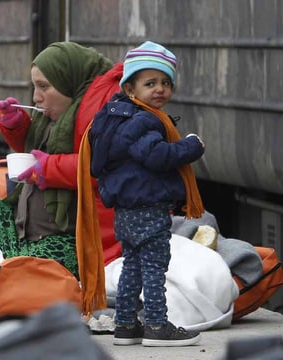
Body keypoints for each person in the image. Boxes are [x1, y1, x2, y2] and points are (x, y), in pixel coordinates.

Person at [0, 41, 121, 316]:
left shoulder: (99, 118)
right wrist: (16, 126)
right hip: (25, 233)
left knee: (32, 262)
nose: (36, 97)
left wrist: (48, 169)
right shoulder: (52, 119)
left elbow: (102, 168)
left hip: (67, 240)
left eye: (44, 87)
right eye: (35, 87)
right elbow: (33, 149)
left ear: (69, 83)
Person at [84, 41, 206, 347]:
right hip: (148, 208)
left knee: (132, 267)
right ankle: (156, 324)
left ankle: (125, 325)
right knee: (154, 268)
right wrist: (192, 146)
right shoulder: (143, 121)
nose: (160, 89)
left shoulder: (117, 118)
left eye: (166, 82)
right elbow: (157, 156)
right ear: (130, 89)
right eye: (150, 83)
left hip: (126, 211)